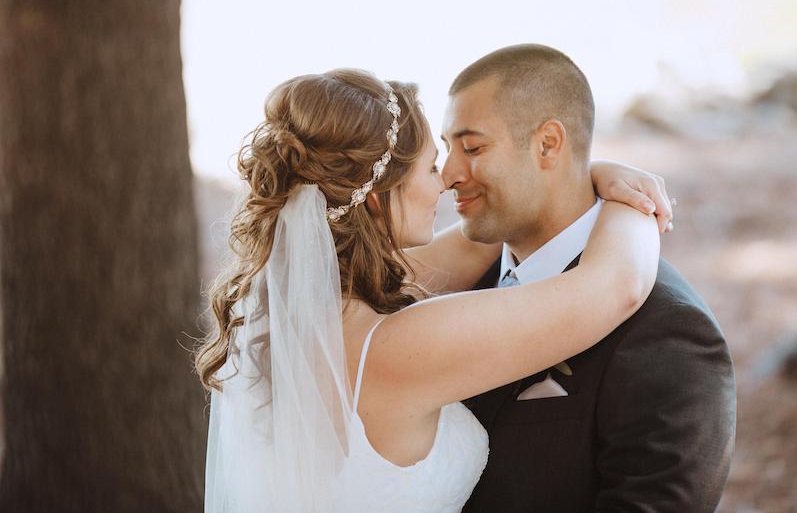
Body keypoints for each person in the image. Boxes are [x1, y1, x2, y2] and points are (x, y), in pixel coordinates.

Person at [195, 68, 671, 512]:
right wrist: (638, 204)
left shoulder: (285, 305)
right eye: (429, 168)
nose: (444, 182)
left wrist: (578, 174)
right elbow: (617, 286)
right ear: (380, 196)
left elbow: (469, 248)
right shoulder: (392, 349)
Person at [439, 44, 737, 513]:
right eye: (446, 149)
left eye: (472, 147)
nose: (448, 174)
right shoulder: (447, 285)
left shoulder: (667, 330)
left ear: (549, 144)